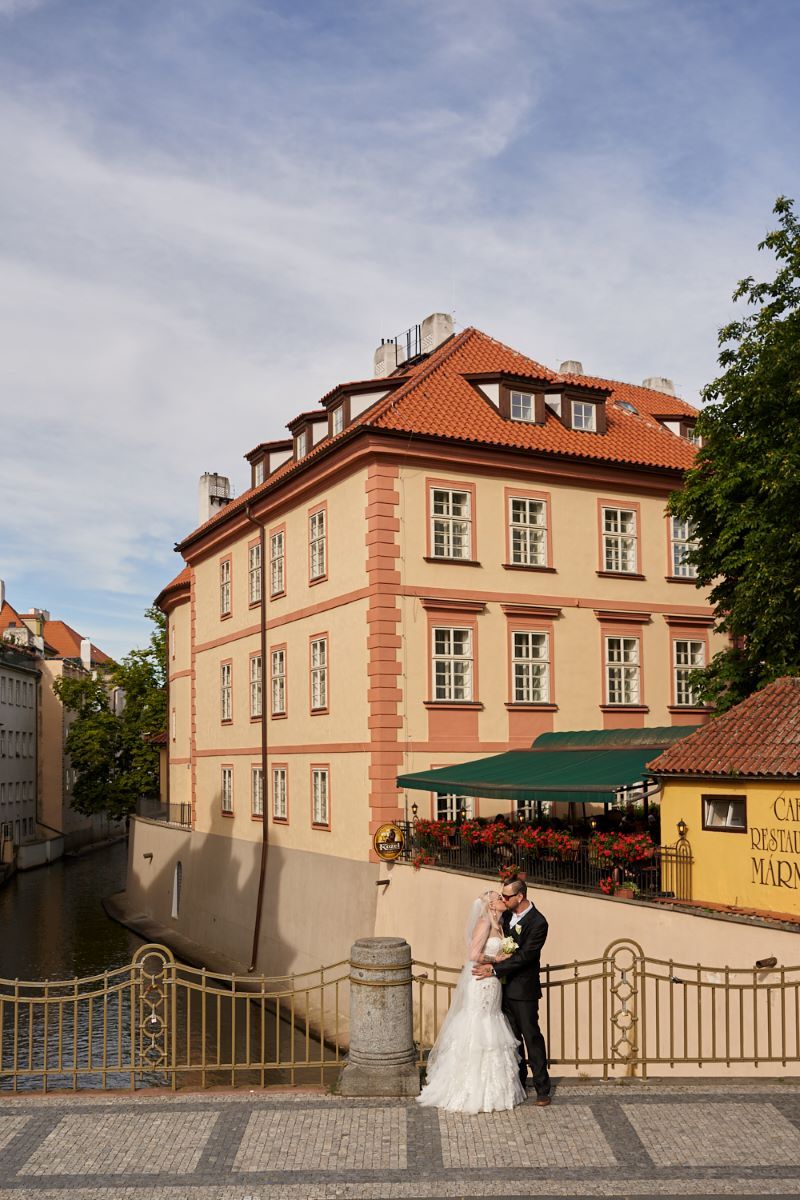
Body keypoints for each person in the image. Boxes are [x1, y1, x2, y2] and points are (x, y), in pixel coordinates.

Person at [416, 890, 526, 1114]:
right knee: (478, 1025)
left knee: (492, 1023)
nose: (503, 900)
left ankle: (495, 1089)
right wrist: (497, 958)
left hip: (493, 983)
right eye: (499, 898)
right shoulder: (484, 922)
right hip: (481, 982)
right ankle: (468, 1088)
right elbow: (474, 954)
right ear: (491, 904)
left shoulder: (499, 923)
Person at [472, 877, 552, 1106]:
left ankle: (542, 1088)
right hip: (499, 990)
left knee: (531, 1036)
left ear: (521, 896)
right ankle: (517, 1083)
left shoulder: (538, 922)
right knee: (510, 1040)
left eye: (507, 896)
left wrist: (494, 969)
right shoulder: (505, 916)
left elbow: (525, 957)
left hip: (524, 990)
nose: (503, 899)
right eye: (502, 895)